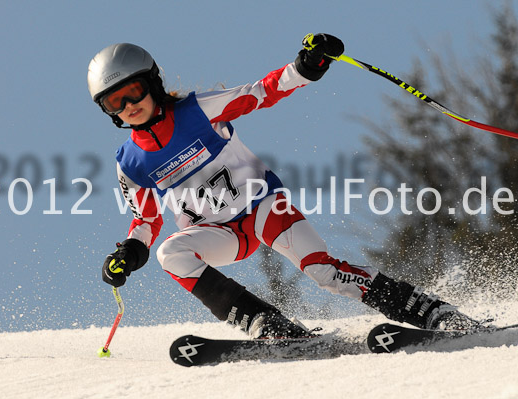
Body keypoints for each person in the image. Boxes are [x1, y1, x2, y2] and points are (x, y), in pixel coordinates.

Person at [87, 34, 482, 339]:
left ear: (152, 83)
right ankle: (268, 324)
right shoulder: (131, 161)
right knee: (171, 253)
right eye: (113, 103)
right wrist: (130, 251)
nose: (127, 107)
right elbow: (145, 218)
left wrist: (307, 66)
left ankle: (430, 312)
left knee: (322, 273)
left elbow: (262, 91)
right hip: (216, 233)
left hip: (262, 208)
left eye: (133, 93)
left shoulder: (198, 111)